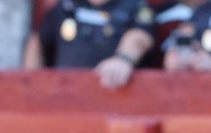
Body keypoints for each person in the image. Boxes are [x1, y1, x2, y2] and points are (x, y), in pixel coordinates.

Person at [24, 0, 158, 90]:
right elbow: (38, 42)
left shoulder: (135, 6)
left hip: (115, 95)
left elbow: (140, 36)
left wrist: (123, 59)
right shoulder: (66, 6)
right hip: (65, 98)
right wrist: (32, 85)